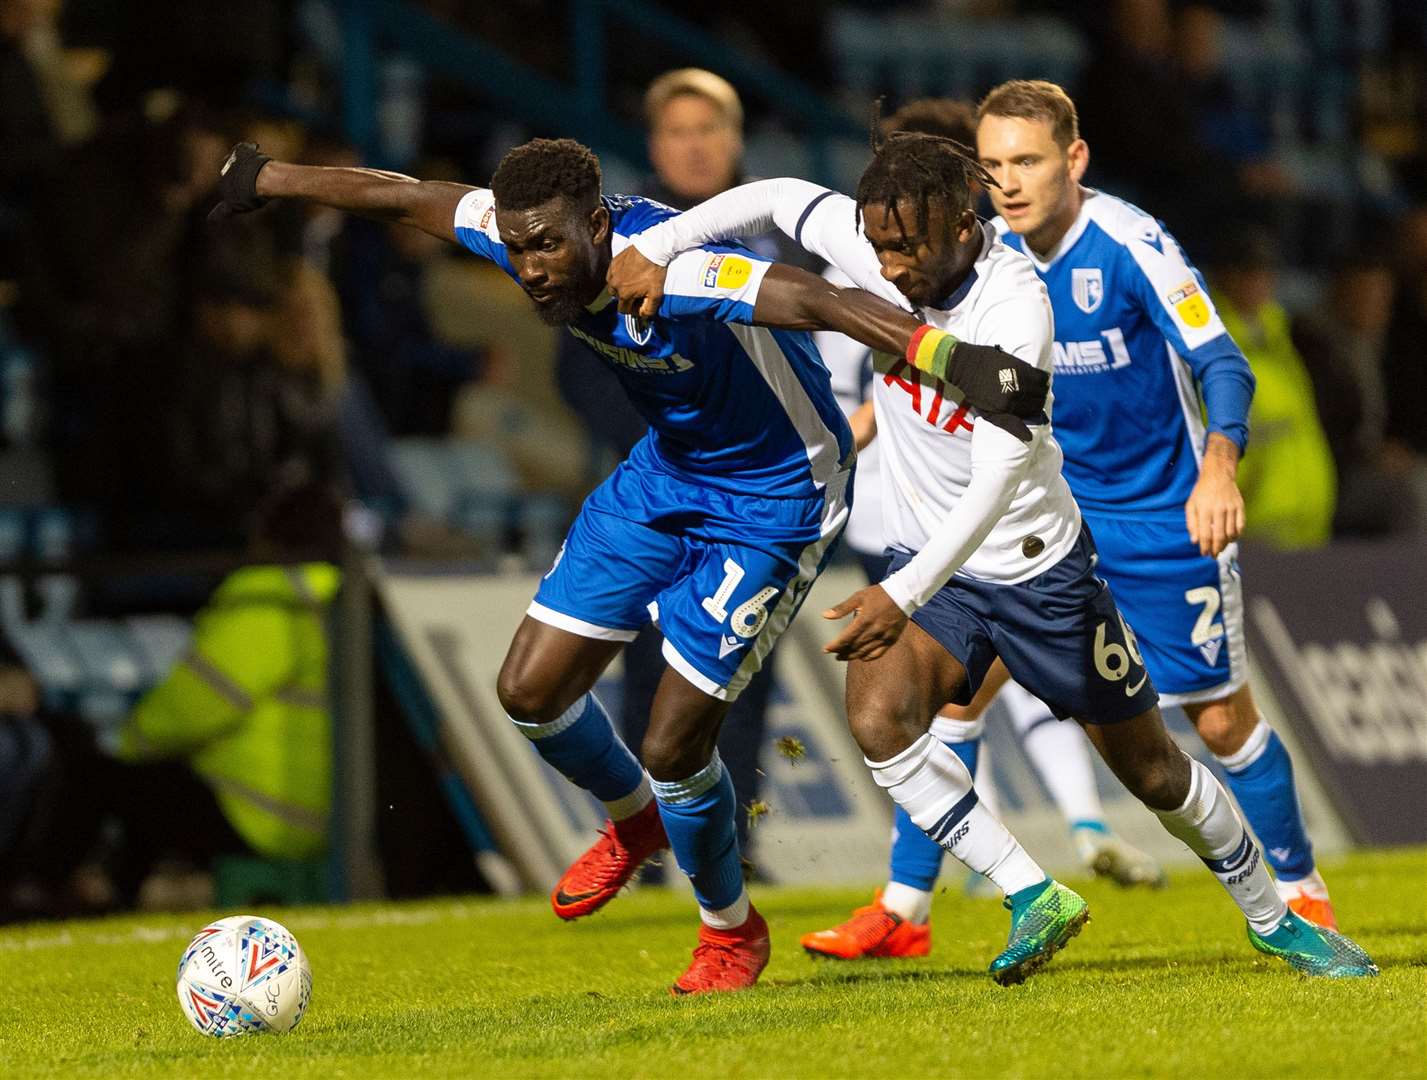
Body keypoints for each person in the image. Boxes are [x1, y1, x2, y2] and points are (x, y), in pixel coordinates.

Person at [209, 135, 1050, 993]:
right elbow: (407, 193)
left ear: (597, 221)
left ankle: (729, 931)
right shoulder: (517, 234)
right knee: (528, 693)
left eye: (548, 246)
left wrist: (953, 360)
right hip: (667, 472)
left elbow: (813, 297)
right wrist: (271, 178)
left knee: (672, 740)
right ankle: (632, 822)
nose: (531, 268)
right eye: (518, 248)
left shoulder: (671, 268)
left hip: (776, 494)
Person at [609, 121, 1377, 979]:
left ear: (964, 228)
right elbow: (776, 198)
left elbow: (999, 475)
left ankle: (1272, 916)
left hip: (1037, 569)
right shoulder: (877, 244)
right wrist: (663, 248)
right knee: (877, 719)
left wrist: (899, 592)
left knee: (1154, 771)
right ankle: (1027, 890)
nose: (890, 269)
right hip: (941, 570)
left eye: (909, 249)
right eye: (879, 246)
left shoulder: (1014, 305)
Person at [966, 79, 1350, 927]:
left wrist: (1218, 469)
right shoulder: (988, 254)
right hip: (1051, 520)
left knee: (1217, 722)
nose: (1009, 183)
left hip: (1160, 514)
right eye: (992, 166)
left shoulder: (1131, 244)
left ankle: (1297, 888)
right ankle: (908, 906)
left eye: (1026, 160)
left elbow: (1224, 363)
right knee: (951, 694)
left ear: (1074, 158)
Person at [807, 97, 1163, 961]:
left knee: (964, 708)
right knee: (932, 713)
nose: (890, 230)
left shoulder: (1015, 282)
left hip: (1001, 535)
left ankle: (915, 899)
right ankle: (927, 900)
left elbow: (1011, 413)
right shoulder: (883, 269)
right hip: (898, 521)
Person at [555, 70, 791, 866]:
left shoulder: (779, 232)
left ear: (734, 140)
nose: (694, 146)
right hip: (667, 486)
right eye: (677, 132)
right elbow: (579, 365)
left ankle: (736, 839)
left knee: (743, 668)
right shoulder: (614, 234)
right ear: (655, 146)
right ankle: (647, 835)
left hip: (766, 490)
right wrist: (661, 438)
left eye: (708, 129)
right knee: (649, 661)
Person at [1208, 228, 1336, 549]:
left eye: (1265, 271)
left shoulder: (1277, 332)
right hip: (1253, 530)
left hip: (1306, 522)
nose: (1258, 281)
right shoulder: (1209, 342)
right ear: (1225, 275)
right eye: (1247, 271)